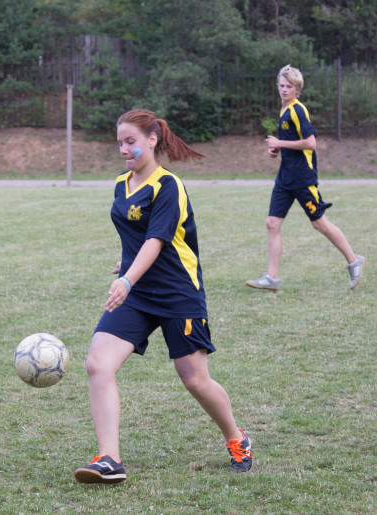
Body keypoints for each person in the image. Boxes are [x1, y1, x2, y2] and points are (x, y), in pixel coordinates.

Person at [74, 109, 253, 484]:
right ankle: (109, 459)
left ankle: (237, 439)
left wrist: (126, 278)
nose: (124, 149)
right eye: (120, 142)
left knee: (195, 380)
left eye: (131, 142)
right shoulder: (122, 184)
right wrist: (125, 265)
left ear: (152, 140)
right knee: (98, 364)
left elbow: (158, 239)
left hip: (177, 292)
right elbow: (136, 236)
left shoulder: (168, 185)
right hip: (138, 293)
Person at [246, 64, 364, 291]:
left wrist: (279, 142)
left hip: (302, 177)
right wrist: (278, 149)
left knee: (319, 223)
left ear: (297, 88)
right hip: (285, 177)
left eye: (289, 86)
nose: (284, 89)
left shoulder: (297, 110)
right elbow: (294, 141)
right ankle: (272, 277)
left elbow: (311, 143)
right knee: (272, 223)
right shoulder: (284, 110)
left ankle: (354, 260)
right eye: (281, 85)